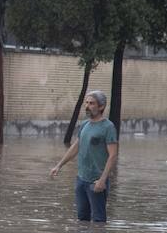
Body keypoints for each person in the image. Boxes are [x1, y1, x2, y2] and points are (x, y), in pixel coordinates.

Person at [50, 89, 119, 223]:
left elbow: (113, 155)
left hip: (96, 181)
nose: (87, 106)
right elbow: (76, 147)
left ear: (101, 106)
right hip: (81, 179)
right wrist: (58, 166)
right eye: (86, 103)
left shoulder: (108, 127)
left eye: (91, 103)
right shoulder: (85, 124)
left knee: (99, 221)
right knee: (82, 220)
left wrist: (102, 180)